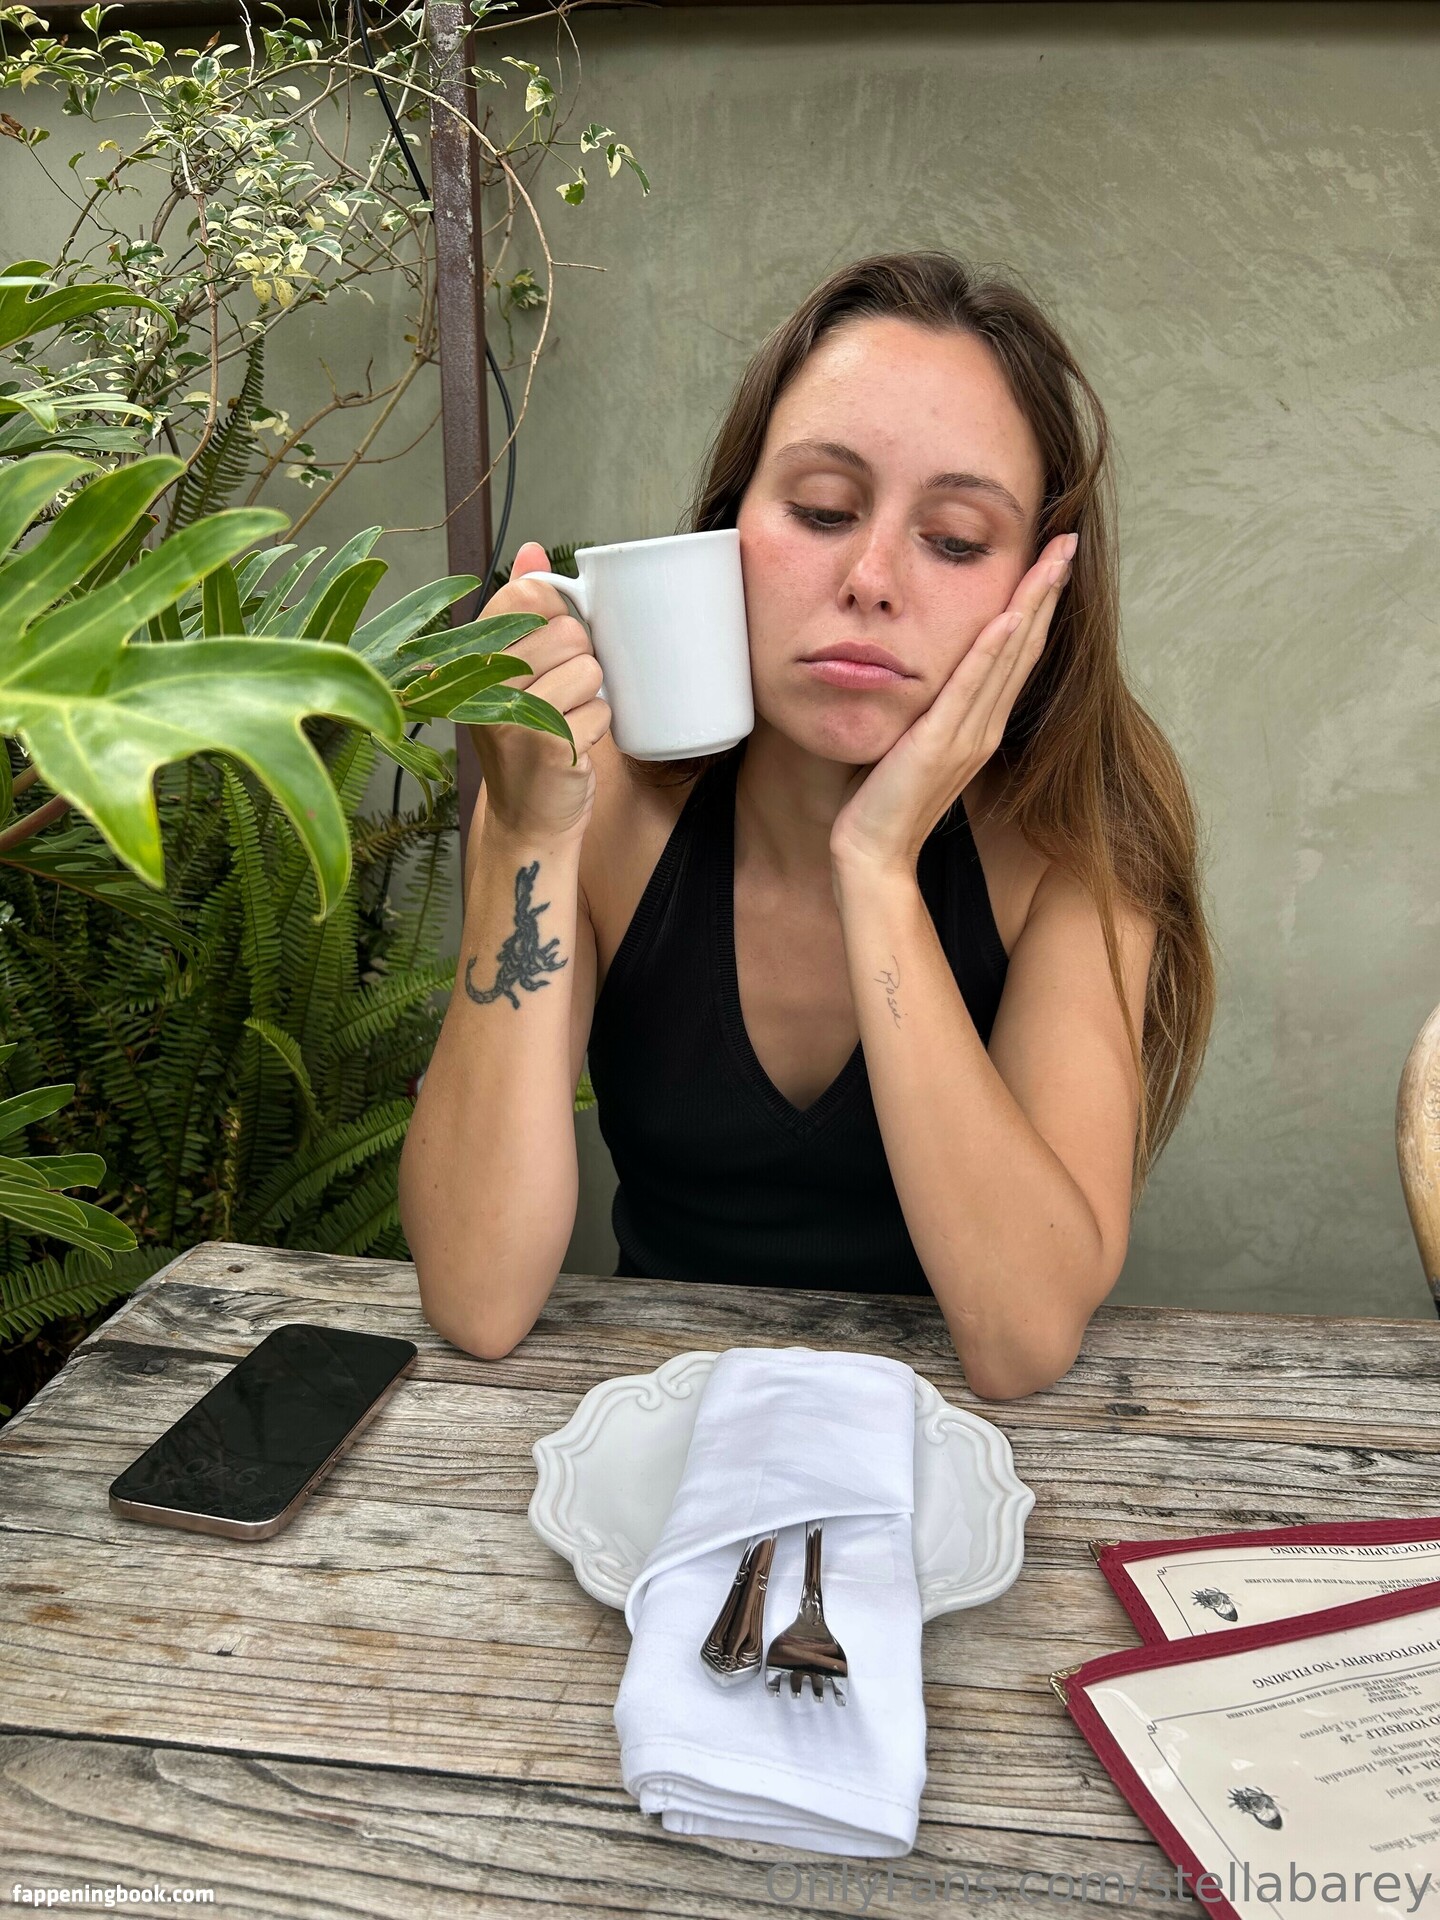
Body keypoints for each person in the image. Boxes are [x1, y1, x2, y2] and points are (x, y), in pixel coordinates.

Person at [398, 250, 1216, 1399]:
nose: (873, 577)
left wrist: (876, 866)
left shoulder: (1077, 842)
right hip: (656, 1422)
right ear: (727, 529)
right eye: (824, 510)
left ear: (1037, 592)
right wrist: (526, 836)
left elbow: (1023, 1339)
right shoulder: (589, 794)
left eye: (956, 538)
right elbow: (476, 1299)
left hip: (957, 1455)